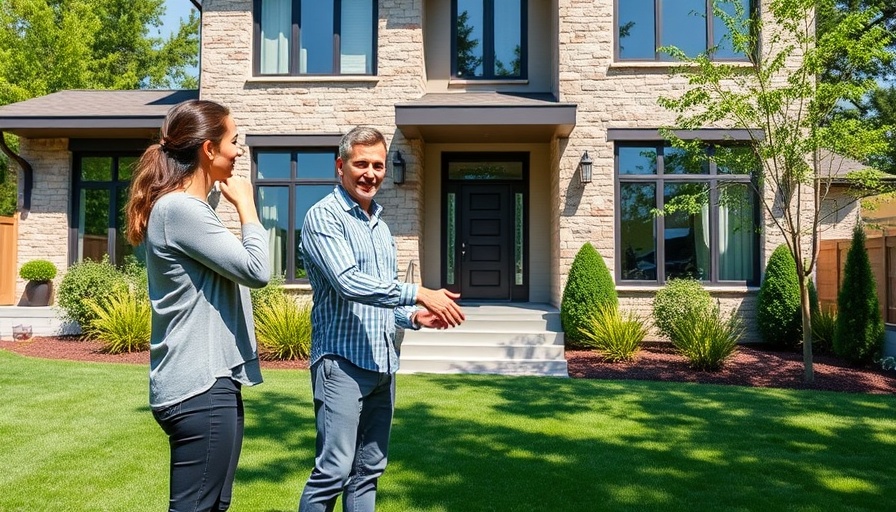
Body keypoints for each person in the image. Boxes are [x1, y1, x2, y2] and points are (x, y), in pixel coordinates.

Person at [298, 126, 465, 511]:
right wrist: (419, 291)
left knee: (368, 471)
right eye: (361, 164)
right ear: (340, 166)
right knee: (334, 471)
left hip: (382, 363)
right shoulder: (324, 218)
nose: (370, 173)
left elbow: (383, 296)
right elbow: (349, 283)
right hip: (340, 363)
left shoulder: (380, 226)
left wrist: (415, 317)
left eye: (377, 165)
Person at [125, 99, 270, 512]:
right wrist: (247, 207)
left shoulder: (184, 208)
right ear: (209, 149)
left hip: (211, 384)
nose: (239, 151)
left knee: (213, 507)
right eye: (234, 141)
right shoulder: (181, 210)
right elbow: (256, 269)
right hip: (200, 388)